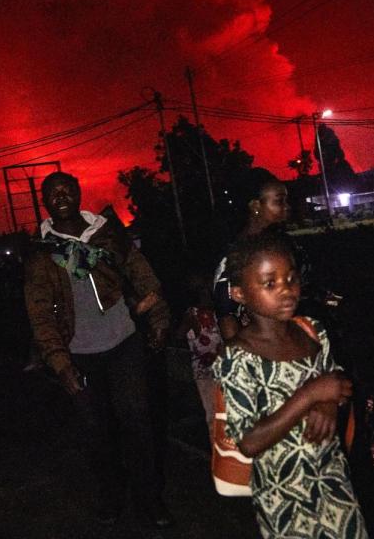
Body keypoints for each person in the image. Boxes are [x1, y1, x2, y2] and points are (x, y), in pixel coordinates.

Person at [23, 171, 173, 528]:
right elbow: (40, 313)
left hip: (124, 342)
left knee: (137, 423)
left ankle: (149, 501)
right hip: (80, 353)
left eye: (66, 189)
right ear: (44, 202)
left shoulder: (106, 232)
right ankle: (110, 494)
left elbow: (142, 274)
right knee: (96, 432)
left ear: (78, 193)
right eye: (52, 193)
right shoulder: (40, 253)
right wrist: (60, 364)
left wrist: (160, 318)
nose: (60, 196)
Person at [214, 231, 368, 539]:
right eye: (270, 283)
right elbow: (249, 441)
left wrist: (327, 402)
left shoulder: (313, 331)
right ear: (240, 293)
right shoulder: (237, 356)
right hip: (284, 497)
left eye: (291, 279)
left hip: (334, 481)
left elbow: (338, 383)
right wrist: (311, 395)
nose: (286, 291)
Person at [213, 167, 290, 341]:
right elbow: (226, 315)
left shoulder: (281, 244)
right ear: (256, 206)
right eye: (279, 201)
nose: (286, 207)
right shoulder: (236, 255)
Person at [175, 272, 223, 432]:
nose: (207, 293)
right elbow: (179, 335)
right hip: (205, 372)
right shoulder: (193, 314)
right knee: (213, 415)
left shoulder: (218, 312)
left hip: (223, 369)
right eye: (202, 290)